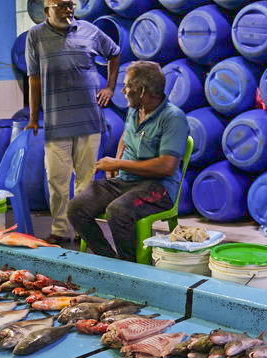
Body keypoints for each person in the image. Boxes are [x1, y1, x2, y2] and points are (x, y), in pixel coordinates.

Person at [68, 61, 190, 263]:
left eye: (127, 86)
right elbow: (127, 134)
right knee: (76, 208)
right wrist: (118, 160)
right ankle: (109, 261)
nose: (123, 91)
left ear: (141, 91)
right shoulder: (135, 109)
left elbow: (166, 166)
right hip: (126, 181)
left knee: (118, 211)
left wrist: (119, 164)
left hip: (158, 188)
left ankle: (129, 267)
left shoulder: (173, 118)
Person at [26, 0, 120, 245]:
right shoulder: (35, 36)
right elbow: (33, 78)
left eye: (71, 4)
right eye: (62, 5)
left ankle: (82, 229)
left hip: (89, 121)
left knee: (86, 180)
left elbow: (114, 52)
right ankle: (59, 229)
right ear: (47, 9)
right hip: (56, 123)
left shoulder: (89, 31)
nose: (69, 9)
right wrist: (33, 117)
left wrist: (110, 87)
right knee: (56, 180)